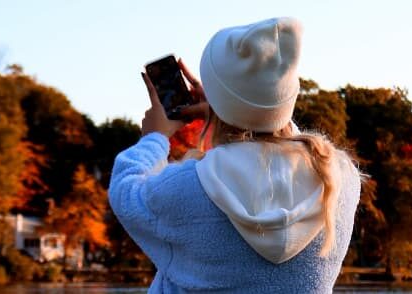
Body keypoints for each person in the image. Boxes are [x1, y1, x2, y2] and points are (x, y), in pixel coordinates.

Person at [109, 17, 362, 293]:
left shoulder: (188, 188)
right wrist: (236, 108)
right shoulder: (340, 179)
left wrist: (154, 138)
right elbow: (279, 134)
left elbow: (126, 190)